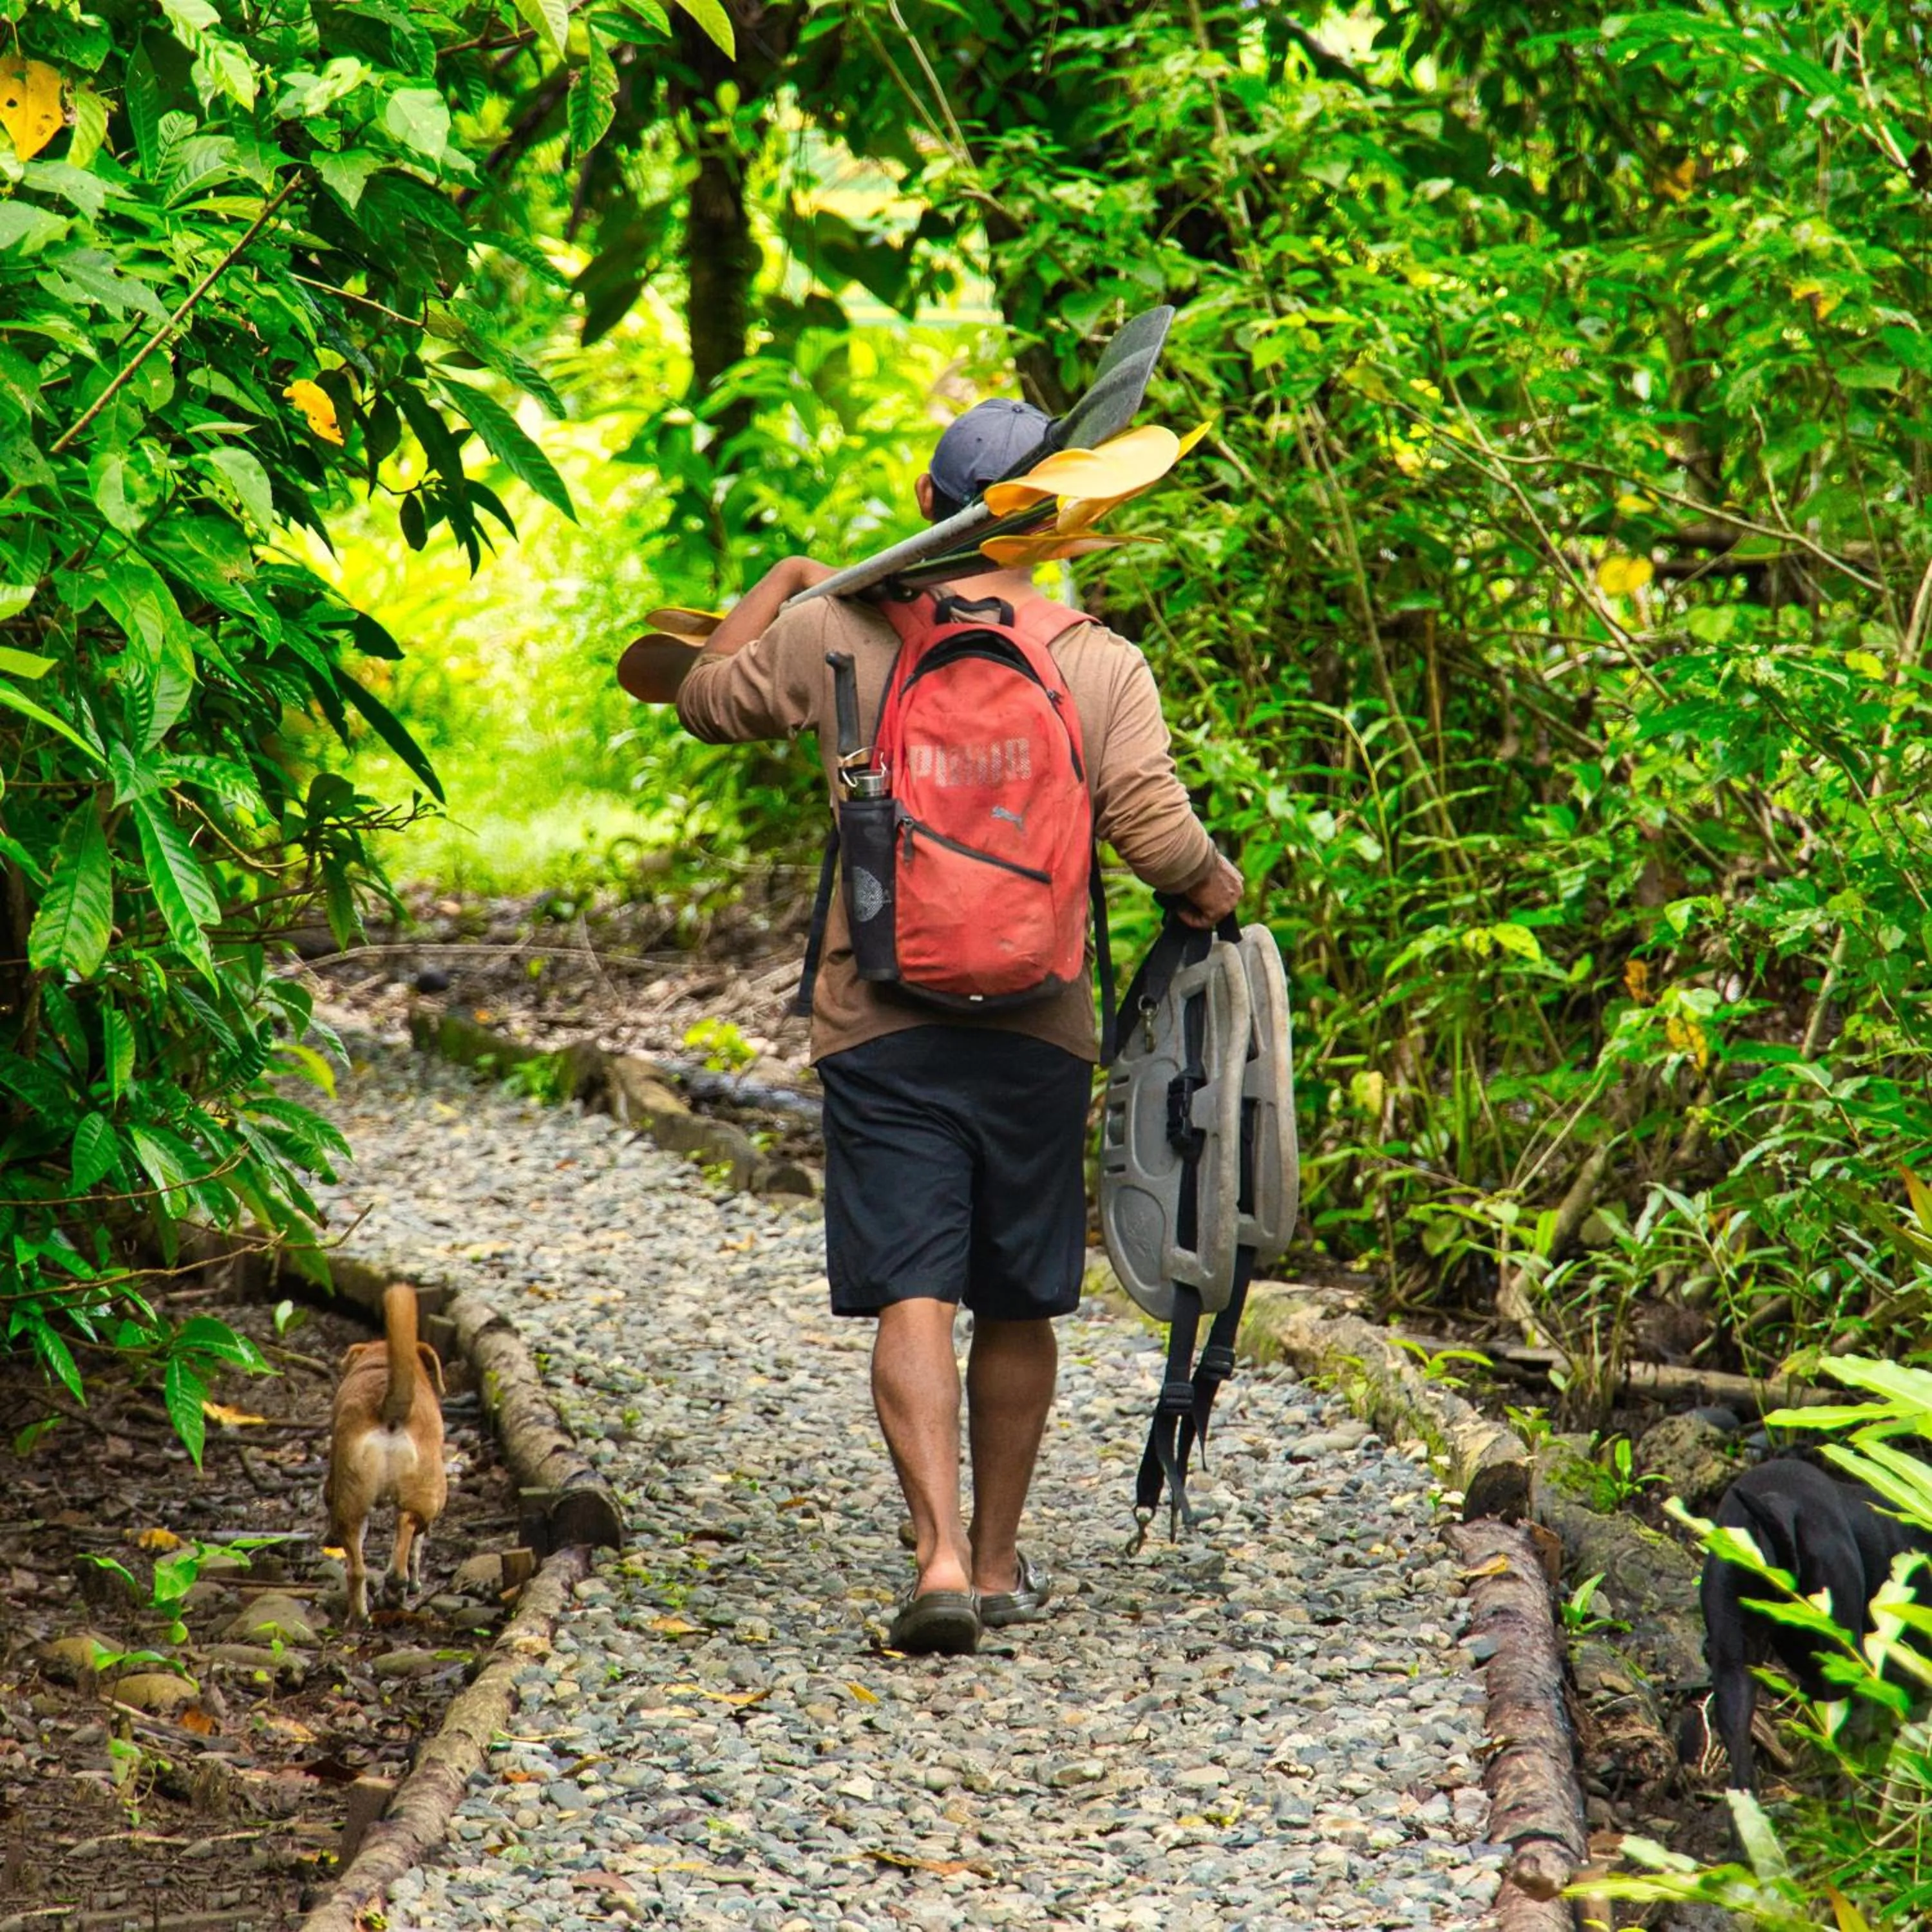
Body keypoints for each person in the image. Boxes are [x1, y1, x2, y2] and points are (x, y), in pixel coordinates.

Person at [676, 398, 1242, 1654]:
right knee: (1019, 1296)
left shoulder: (836, 630)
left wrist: (785, 580)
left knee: (913, 1288)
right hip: (1041, 1024)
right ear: (1055, 525)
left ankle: (931, 1554)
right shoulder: (1096, 657)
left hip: (878, 1017)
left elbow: (704, 697)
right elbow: (1154, 829)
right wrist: (1213, 892)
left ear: (930, 509)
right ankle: (994, 1562)